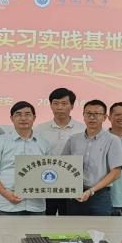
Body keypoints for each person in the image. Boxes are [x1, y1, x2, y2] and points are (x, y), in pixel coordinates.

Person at [0, 101, 49, 215]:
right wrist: (6, 193)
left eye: (27, 114)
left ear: (34, 118)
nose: (23, 118)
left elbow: (49, 171)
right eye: (18, 114)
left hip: (36, 206)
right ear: (11, 118)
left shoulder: (43, 143)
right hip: (5, 205)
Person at [62, 99, 122, 216]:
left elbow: (116, 172)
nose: (92, 117)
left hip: (99, 195)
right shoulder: (74, 139)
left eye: (97, 114)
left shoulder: (112, 140)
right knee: (73, 227)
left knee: (100, 227)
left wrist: (91, 191)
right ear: (83, 116)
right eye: (88, 113)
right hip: (75, 194)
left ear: (104, 117)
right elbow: (62, 165)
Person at [35, 87, 85, 215]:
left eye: (64, 103)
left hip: (72, 184)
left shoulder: (82, 129)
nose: (59, 107)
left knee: (69, 221)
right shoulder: (39, 130)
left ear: (72, 106)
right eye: (56, 103)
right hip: (46, 182)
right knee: (45, 221)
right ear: (50, 105)